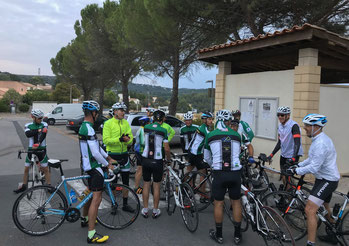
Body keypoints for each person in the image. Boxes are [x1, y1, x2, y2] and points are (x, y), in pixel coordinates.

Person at [285, 114, 340, 246]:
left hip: (327, 180)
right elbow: (311, 160)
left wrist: (295, 171)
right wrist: (298, 165)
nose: (305, 128)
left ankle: (311, 243)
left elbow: (315, 167)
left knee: (310, 210)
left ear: (316, 127)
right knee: (324, 207)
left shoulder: (321, 143)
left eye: (308, 126)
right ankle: (333, 231)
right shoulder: (318, 139)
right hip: (323, 178)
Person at [78, 100, 115, 244]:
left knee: (90, 194)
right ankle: (91, 234)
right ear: (93, 113)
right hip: (94, 167)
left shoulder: (85, 126)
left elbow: (97, 148)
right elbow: (95, 152)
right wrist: (107, 164)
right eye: (97, 113)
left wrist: (108, 157)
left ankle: (84, 218)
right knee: (96, 199)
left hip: (87, 165)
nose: (98, 115)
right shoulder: (89, 128)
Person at [204, 110, 243, 245]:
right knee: (236, 202)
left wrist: (213, 165)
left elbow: (206, 157)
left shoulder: (210, 135)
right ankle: (237, 235)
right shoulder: (237, 135)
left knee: (219, 203)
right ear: (228, 121)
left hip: (219, 173)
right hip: (235, 173)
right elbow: (238, 153)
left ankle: (219, 235)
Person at [102, 102, 135, 213]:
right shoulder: (108, 123)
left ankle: (125, 204)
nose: (123, 112)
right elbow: (106, 140)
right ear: (115, 111)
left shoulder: (125, 123)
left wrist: (128, 140)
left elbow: (130, 138)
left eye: (124, 110)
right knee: (113, 182)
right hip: (113, 155)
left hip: (124, 154)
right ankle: (113, 204)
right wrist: (119, 139)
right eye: (121, 110)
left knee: (126, 182)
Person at [141, 110, 171, 218]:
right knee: (156, 186)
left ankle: (145, 209)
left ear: (153, 118)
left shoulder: (146, 127)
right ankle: (155, 210)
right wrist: (169, 159)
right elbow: (167, 149)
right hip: (157, 160)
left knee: (146, 184)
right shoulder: (163, 130)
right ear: (162, 119)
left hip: (146, 159)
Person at [14, 109, 51, 193]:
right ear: (33, 117)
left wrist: (38, 143)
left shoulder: (44, 124)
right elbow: (28, 134)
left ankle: (49, 185)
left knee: (45, 168)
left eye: (41, 118)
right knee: (26, 168)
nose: (40, 119)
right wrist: (38, 130)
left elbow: (44, 134)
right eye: (39, 118)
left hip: (42, 149)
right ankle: (24, 186)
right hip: (31, 150)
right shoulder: (28, 125)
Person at [268, 106, 303, 186]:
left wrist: (294, 157)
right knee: (283, 176)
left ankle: (291, 196)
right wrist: (271, 155)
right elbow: (280, 142)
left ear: (288, 115)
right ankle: (288, 194)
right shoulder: (280, 126)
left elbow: (297, 143)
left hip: (292, 155)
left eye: (282, 115)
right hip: (284, 154)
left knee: (288, 178)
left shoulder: (294, 126)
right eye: (278, 115)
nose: (280, 117)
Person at [187, 111, 213, 203]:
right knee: (203, 173)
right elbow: (209, 144)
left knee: (189, 172)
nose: (211, 121)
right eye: (209, 119)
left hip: (191, 152)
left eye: (212, 119)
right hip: (197, 154)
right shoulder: (205, 129)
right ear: (205, 120)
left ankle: (186, 189)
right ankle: (203, 196)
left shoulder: (201, 127)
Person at [134, 116, 150, 194]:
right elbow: (143, 143)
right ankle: (137, 187)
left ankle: (136, 187)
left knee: (139, 169)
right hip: (141, 152)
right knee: (140, 170)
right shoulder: (143, 130)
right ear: (146, 123)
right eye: (149, 122)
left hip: (138, 151)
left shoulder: (140, 129)